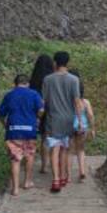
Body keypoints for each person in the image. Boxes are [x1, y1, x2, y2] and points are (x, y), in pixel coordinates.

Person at [39, 51, 82, 194]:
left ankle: (56, 179)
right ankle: (63, 176)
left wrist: (38, 117)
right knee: (64, 148)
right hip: (68, 119)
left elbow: (43, 102)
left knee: (54, 149)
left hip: (53, 119)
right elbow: (77, 102)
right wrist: (80, 121)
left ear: (55, 62)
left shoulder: (47, 79)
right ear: (67, 62)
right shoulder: (74, 79)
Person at [0, 73, 43, 197]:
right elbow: (41, 110)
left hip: (13, 130)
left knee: (15, 159)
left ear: (15, 83)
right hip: (30, 129)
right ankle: (27, 182)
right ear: (27, 83)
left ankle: (15, 189)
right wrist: (37, 118)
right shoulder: (34, 94)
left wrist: (5, 125)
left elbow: (1, 114)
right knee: (30, 155)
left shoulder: (9, 95)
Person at [30, 52, 58, 179]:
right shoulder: (52, 78)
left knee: (40, 138)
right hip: (51, 109)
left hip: (36, 110)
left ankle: (43, 165)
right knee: (49, 138)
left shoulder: (34, 79)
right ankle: (50, 165)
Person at [70, 89, 94, 184]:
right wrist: (92, 128)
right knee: (81, 150)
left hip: (70, 124)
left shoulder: (69, 101)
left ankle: (67, 176)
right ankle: (82, 172)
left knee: (69, 151)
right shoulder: (85, 102)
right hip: (82, 126)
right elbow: (91, 115)